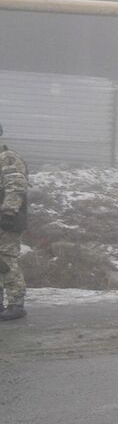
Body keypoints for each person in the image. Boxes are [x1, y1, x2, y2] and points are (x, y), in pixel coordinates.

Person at [0, 122, 27, 322]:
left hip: (6, 220)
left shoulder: (8, 159)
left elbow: (16, 185)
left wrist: (8, 213)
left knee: (6, 260)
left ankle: (16, 304)